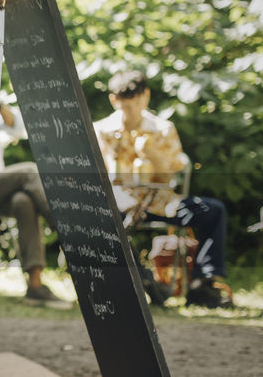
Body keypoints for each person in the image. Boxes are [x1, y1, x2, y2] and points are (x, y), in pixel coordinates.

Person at [93, 69, 232, 308]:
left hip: (160, 203)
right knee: (102, 219)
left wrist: (154, 156)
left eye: (137, 103)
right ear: (114, 100)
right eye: (126, 106)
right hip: (119, 203)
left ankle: (202, 284)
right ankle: (142, 283)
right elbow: (95, 177)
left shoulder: (162, 128)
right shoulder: (101, 130)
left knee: (213, 209)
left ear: (146, 97)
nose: (132, 111)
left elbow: (169, 179)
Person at [0, 98, 68, 307]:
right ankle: (64, 226)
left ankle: (35, 286)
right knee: (29, 171)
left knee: (23, 202)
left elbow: (17, 129)